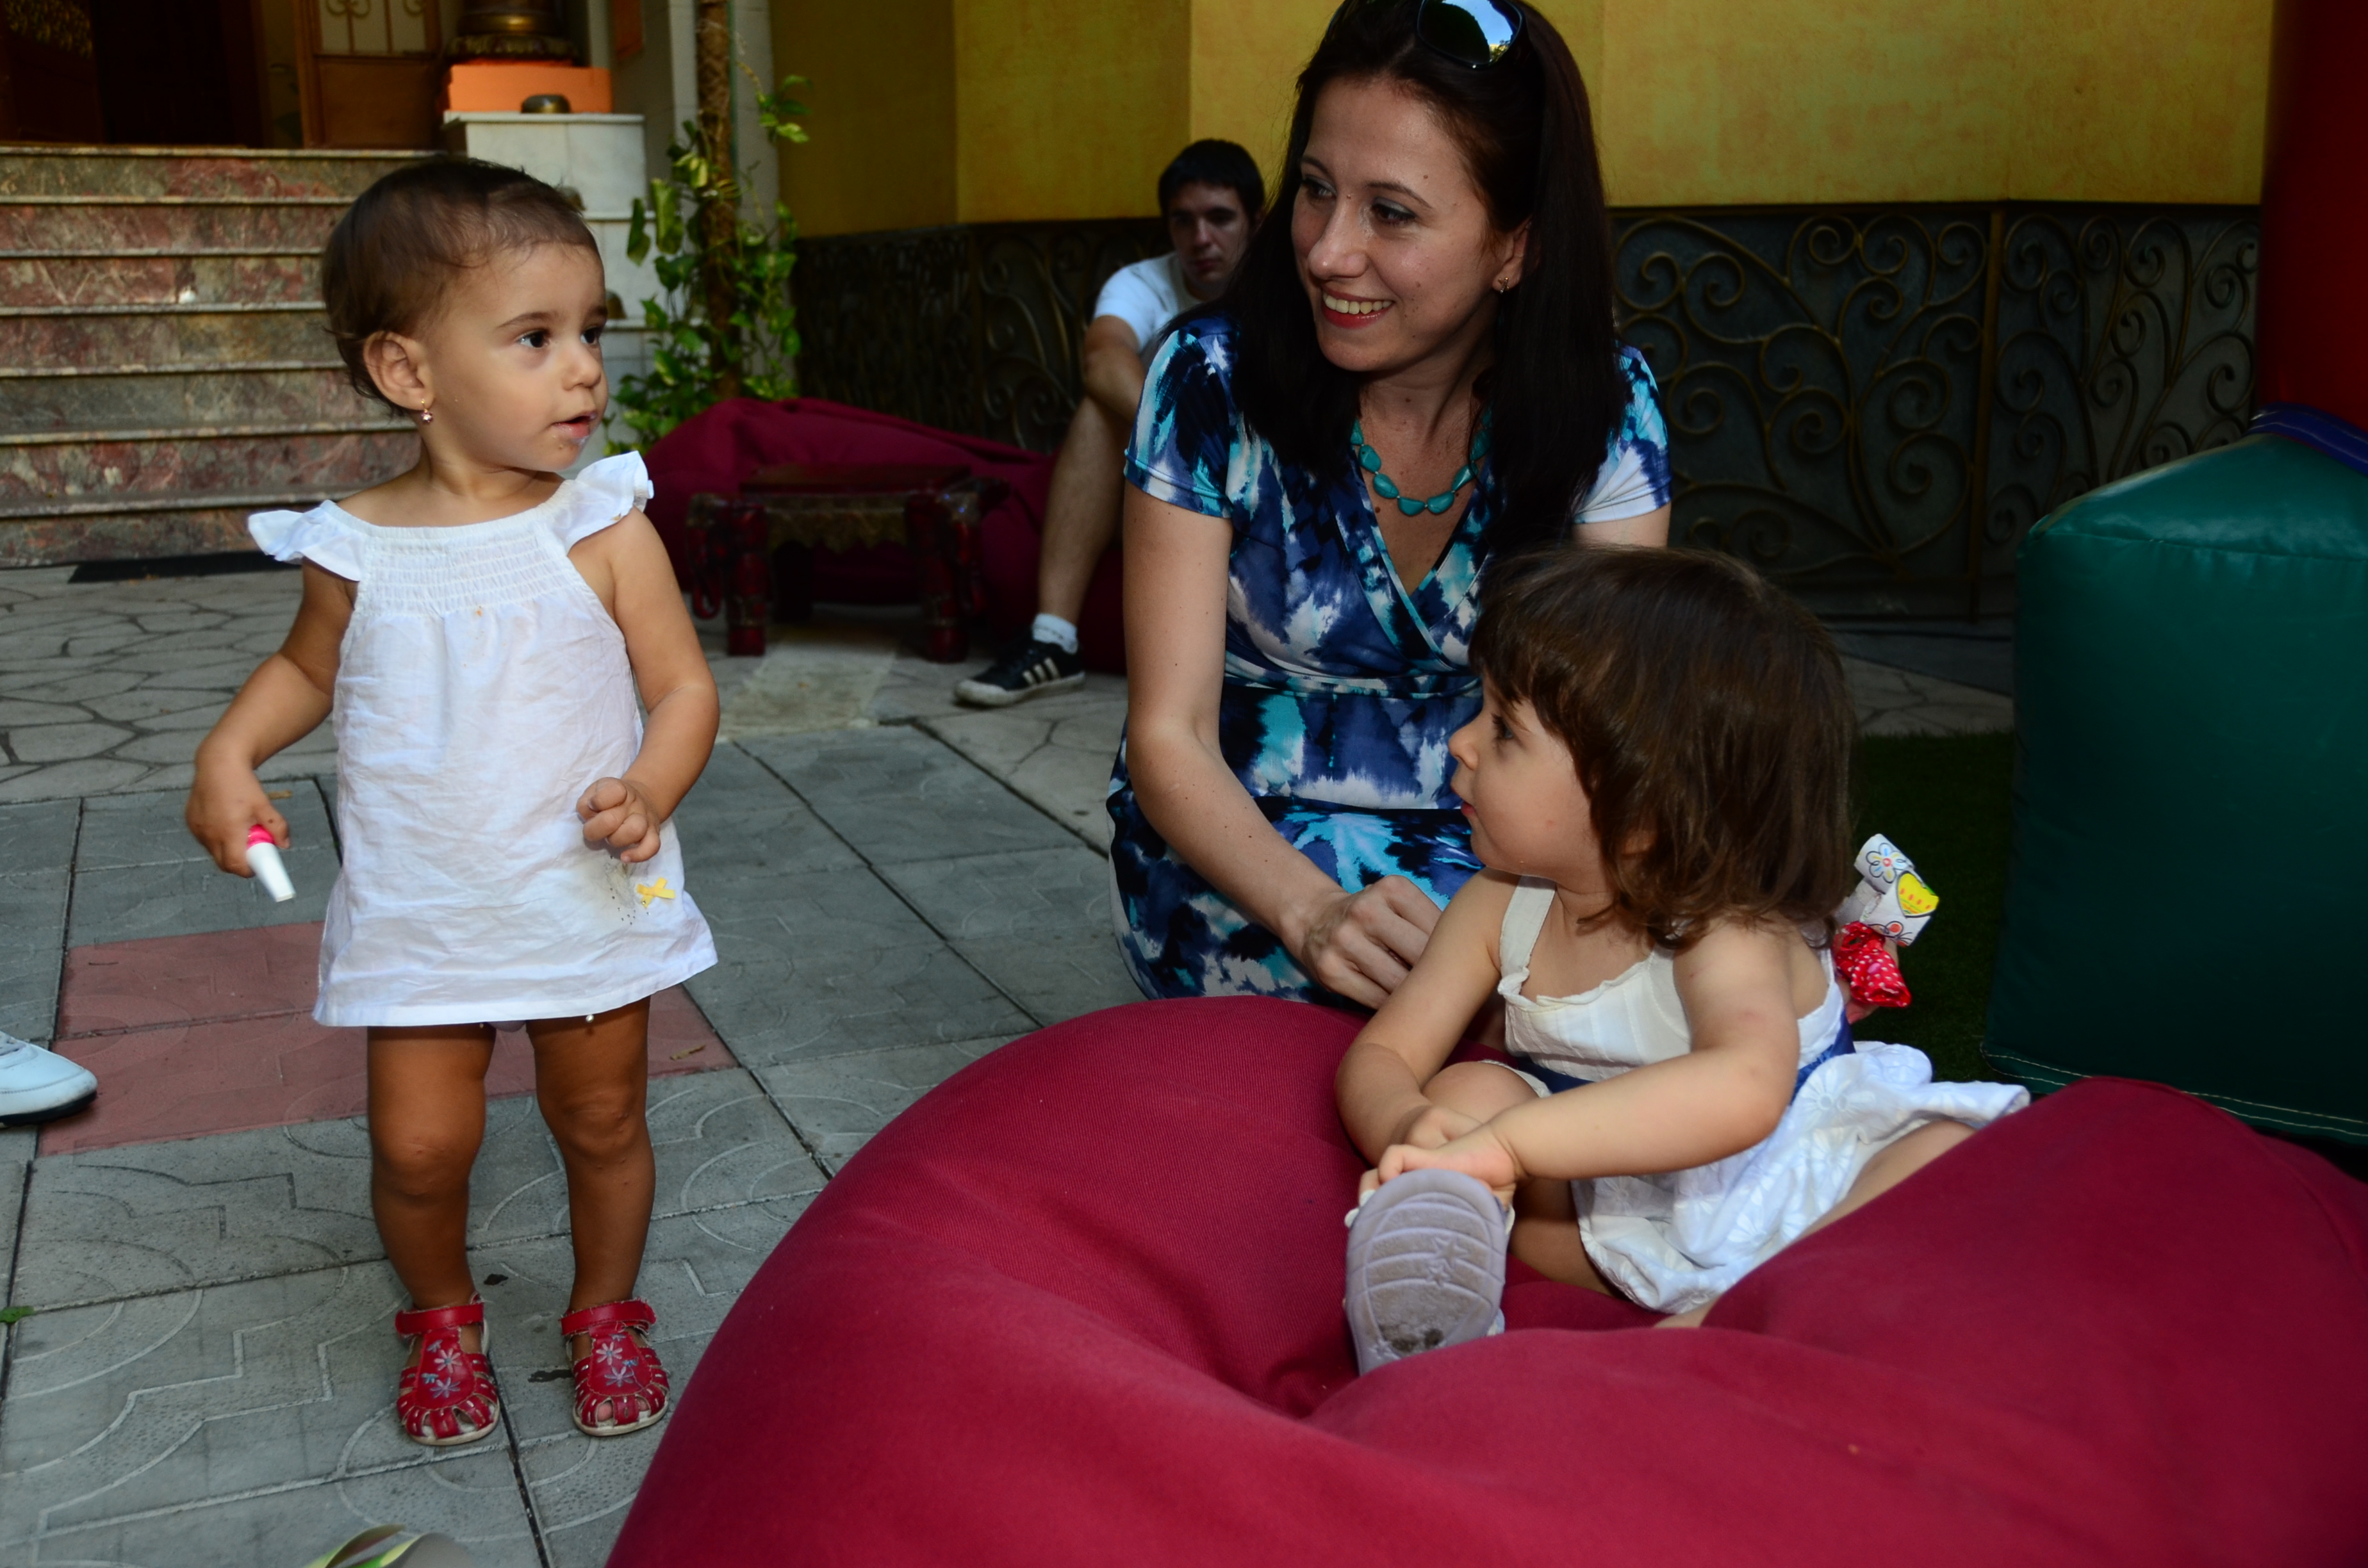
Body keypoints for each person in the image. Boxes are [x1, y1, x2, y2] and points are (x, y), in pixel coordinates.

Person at [185, 159, 718, 1447]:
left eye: (590, 331)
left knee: (602, 1119)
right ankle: (439, 1317)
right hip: (424, 909)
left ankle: (605, 1310)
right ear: (407, 370)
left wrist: (650, 785)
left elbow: (684, 687)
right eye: (535, 338)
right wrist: (230, 752)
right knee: (419, 1149)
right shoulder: (353, 545)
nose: (583, 369)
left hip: (582, 893)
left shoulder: (602, 524)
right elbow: (307, 668)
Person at [1334, 547, 2028, 1369]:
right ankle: (1435, 1301)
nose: (1461, 742)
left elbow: (1744, 1089)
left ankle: (1720, 1325)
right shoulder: (1498, 904)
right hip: (1606, 1215)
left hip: (1789, 1188)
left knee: (1942, 1152)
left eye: (1505, 730)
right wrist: (1416, 1130)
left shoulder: (1727, 924)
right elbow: (1383, 1054)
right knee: (1466, 1092)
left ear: (1640, 813)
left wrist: (1514, 1147)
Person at [1114, 0, 1672, 1008]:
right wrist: (1314, 914)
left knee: (1692, 996)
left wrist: (1512, 934)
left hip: (1504, 852)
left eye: (1393, 212)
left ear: (1516, 247)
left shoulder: (1606, 410)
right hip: (1241, 857)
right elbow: (1169, 738)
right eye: (1316, 191)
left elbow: (1604, 739)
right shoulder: (1210, 381)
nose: (1328, 252)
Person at [954, 140, 1263, 706]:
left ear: (1255, 221)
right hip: (1166, 477)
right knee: (1099, 409)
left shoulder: (1284, 289)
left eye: (1220, 218)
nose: (1201, 239)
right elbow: (1102, 359)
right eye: (1183, 221)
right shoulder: (1143, 283)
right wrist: (1190, 430)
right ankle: (1053, 641)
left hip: (1259, 483)